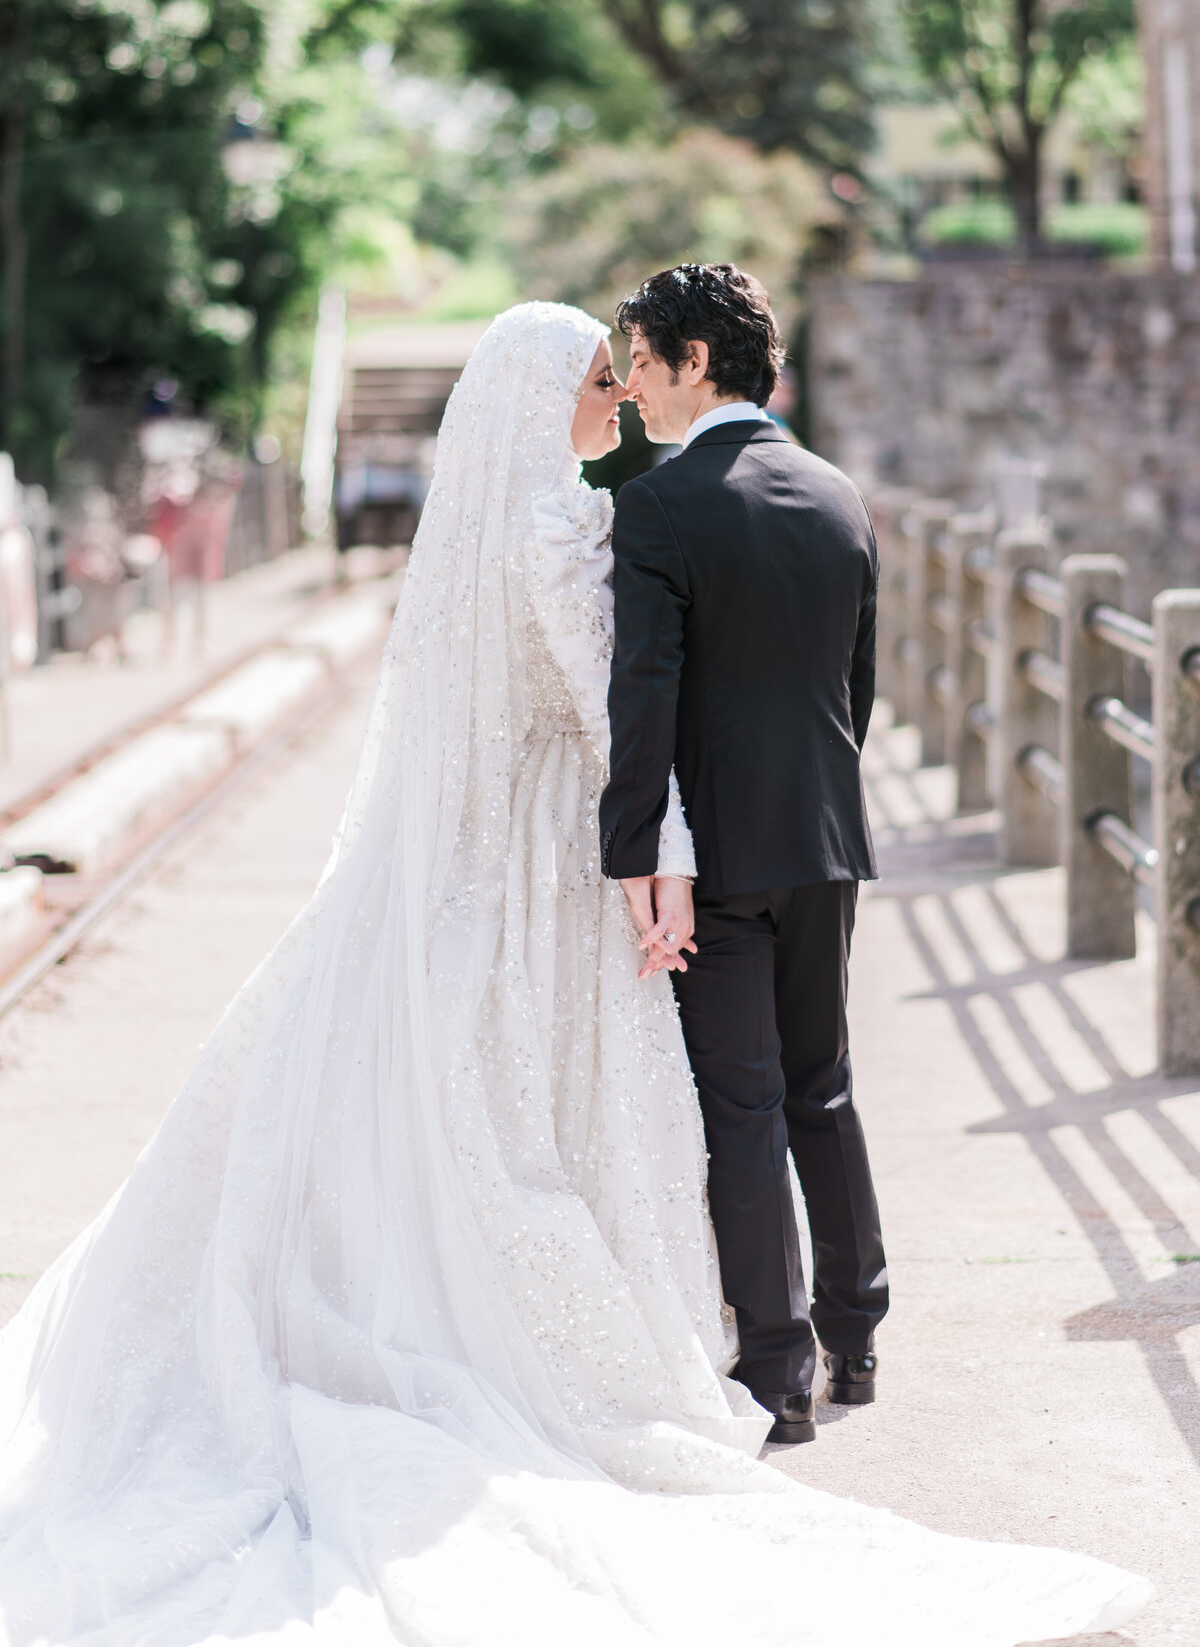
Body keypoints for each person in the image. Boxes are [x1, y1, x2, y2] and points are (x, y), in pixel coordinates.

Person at [0, 302, 1148, 1645]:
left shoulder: (527, 520)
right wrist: (657, 860)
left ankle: (780, 1342)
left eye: (623, 373)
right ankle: (804, 1337)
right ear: (551, 393)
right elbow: (620, 707)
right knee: (699, 1095)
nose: (615, 395)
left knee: (592, 1094)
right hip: (583, 855)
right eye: (599, 379)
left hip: (499, 857)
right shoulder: (586, 522)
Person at [601, 264, 885, 1446]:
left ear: (694, 362)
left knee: (744, 1108)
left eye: (643, 367)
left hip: (714, 854)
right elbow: (854, 692)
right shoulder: (838, 495)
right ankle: (857, 1335)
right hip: (823, 840)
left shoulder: (662, 506)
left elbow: (645, 703)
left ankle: (777, 1370)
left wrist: (631, 858)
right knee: (823, 1086)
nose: (632, 394)